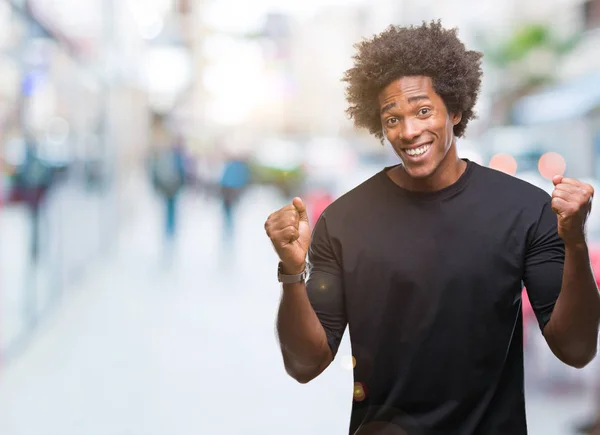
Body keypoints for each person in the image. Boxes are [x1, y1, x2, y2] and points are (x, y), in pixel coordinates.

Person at [264, 21, 600, 435]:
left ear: (455, 110)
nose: (408, 131)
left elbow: (577, 349)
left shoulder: (525, 210)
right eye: (392, 118)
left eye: (423, 111)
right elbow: (304, 365)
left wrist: (575, 245)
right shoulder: (344, 221)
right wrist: (292, 273)